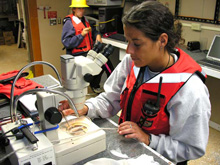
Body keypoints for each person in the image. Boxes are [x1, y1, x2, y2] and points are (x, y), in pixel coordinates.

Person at [59, 1, 211, 164]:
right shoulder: (132, 62)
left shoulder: (190, 88)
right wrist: (86, 108)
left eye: (137, 44)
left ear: (162, 40)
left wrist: (149, 139)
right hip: (130, 147)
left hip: (161, 158)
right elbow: (111, 99)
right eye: (128, 42)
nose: (129, 50)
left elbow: (191, 148)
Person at [61, 0, 110, 93]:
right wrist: (81, 35)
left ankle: (95, 86)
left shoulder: (85, 19)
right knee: (84, 77)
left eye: (83, 8)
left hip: (89, 51)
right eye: (79, 8)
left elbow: (94, 30)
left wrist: (98, 35)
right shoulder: (69, 23)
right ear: (73, 9)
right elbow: (67, 42)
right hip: (78, 55)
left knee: (103, 63)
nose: (82, 11)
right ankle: (87, 90)